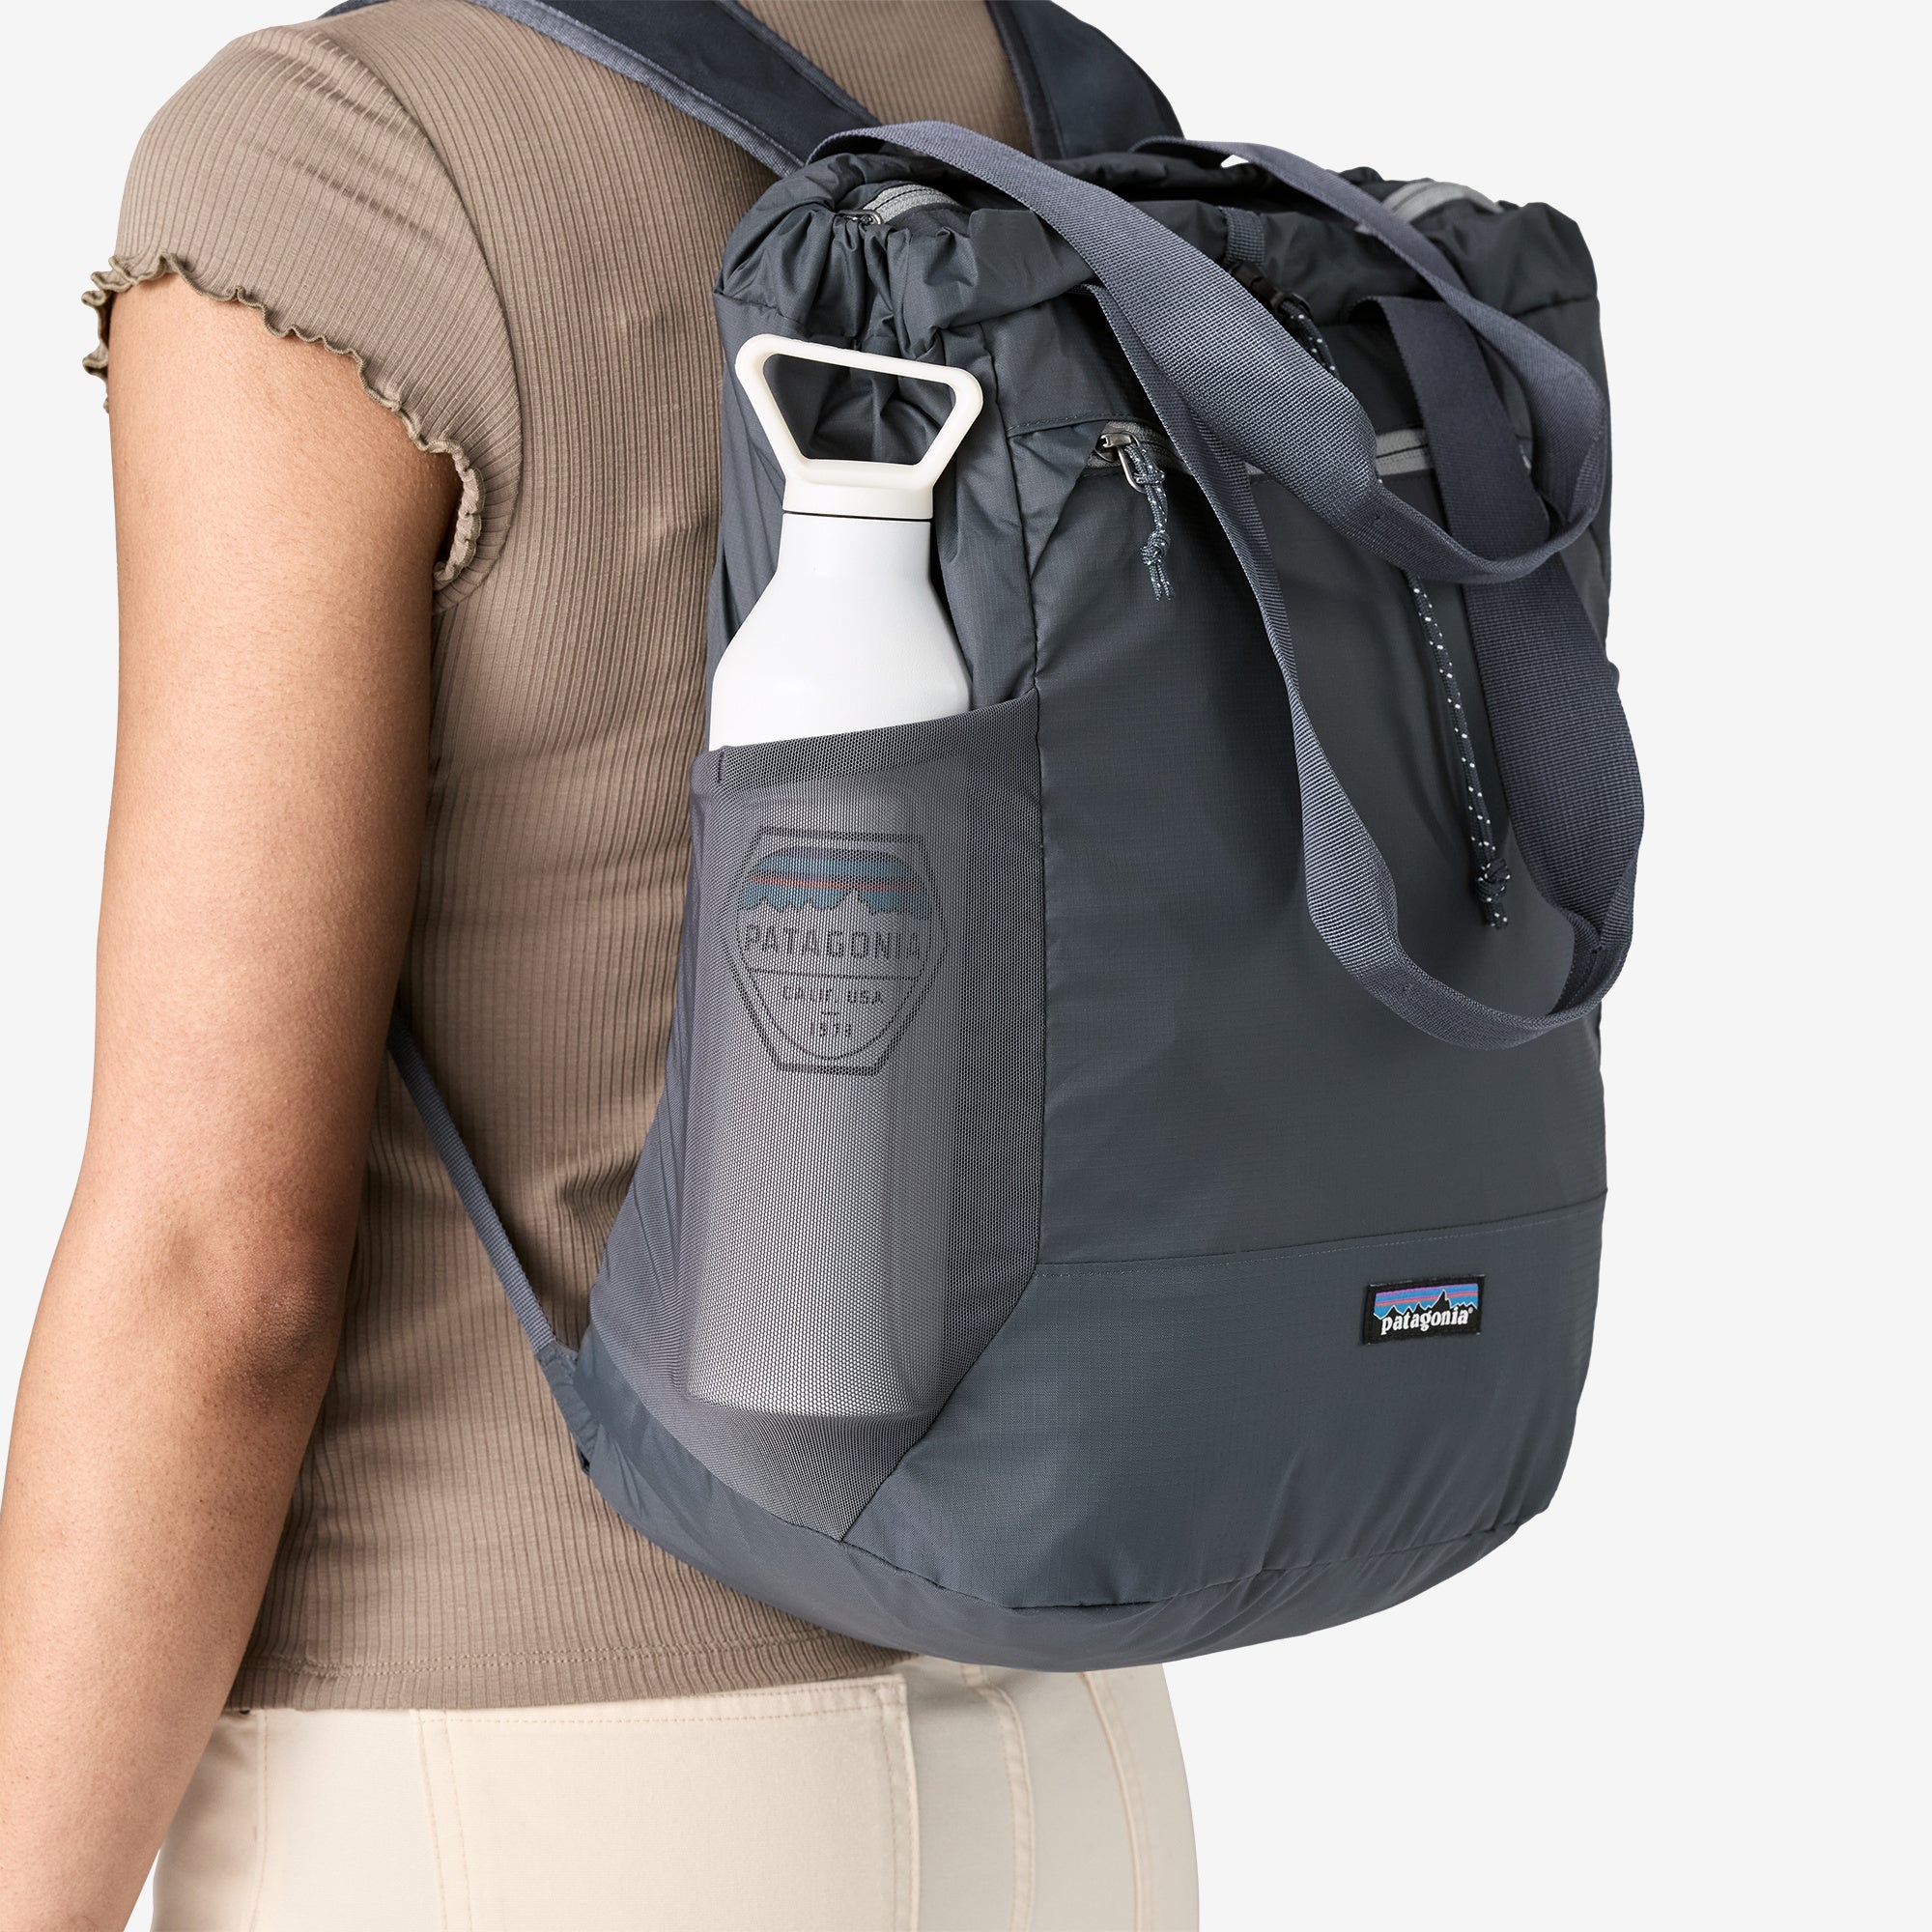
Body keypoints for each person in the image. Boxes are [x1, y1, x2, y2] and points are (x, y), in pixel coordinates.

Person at [0, 3, 1198, 1925]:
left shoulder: (337, 156)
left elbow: (221, 1274)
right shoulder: (1040, 87)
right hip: (1068, 1752)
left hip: (514, 1781)